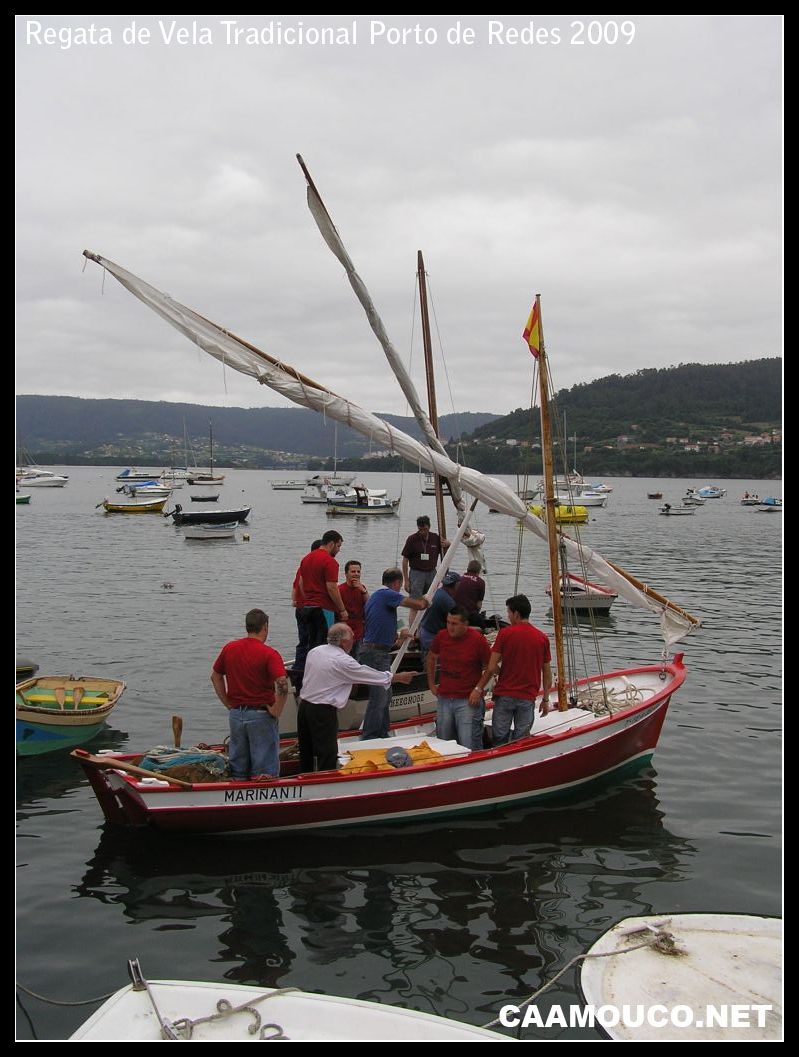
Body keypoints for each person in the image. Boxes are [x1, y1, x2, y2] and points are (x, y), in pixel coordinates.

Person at [298, 623, 415, 772]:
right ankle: (326, 784)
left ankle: (305, 777)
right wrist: (398, 677)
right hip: (322, 711)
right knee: (326, 753)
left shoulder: (315, 651)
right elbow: (367, 674)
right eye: (353, 637)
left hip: (305, 706)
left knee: (306, 750)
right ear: (344, 641)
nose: (354, 640)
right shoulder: (342, 661)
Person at [211, 609, 289, 780]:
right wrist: (277, 710)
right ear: (265, 627)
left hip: (236, 715)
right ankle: (264, 801)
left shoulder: (230, 648)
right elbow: (282, 683)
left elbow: (215, 676)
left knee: (237, 768)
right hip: (260, 715)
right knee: (264, 772)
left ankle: (237, 798)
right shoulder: (269, 653)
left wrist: (228, 703)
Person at [359, 568, 430, 740]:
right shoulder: (386, 594)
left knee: (385, 695)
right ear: (397, 583)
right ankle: (370, 737)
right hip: (375, 653)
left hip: (377, 650)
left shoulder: (377, 598)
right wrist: (427, 599)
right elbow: (417, 605)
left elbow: (379, 629)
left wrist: (399, 637)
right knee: (379, 697)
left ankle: (382, 733)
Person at [474, 594, 552, 745]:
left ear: (516, 614)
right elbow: (547, 673)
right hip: (527, 696)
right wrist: (546, 699)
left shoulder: (505, 634)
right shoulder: (542, 638)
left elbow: (491, 666)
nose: (508, 616)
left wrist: (499, 674)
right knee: (521, 741)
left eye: (509, 613)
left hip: (505, 695)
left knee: (499, 738)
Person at [426, 605, 491, 750]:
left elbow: (490, 667)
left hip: (467, 700)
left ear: (465, 624)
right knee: (444, 742)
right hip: (445, 698)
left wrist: (478, 689)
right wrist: (431, 683)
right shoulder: (441, 636)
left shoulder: (477, 640)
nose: (450, 627)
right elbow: (431, 657)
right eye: (448, 622)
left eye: (454, 624)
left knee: (469, 743)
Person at [295, 529, 347, 657]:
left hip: (307, 607)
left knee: (309, 644)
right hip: (324, 608)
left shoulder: (306, 558)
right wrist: (342, 609)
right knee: (324, 645)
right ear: (331, 544)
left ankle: (305, 671)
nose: (339, 550)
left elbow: (301, 583)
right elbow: (332, 588)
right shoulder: (330, 561)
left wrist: (308, 598)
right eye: (338, 546)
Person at [291, 538, 322, 686]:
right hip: (308, 608)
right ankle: (304, 675)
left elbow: (295, 586)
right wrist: (308, 601)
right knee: (311, 642)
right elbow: (301, 584)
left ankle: (299, 672)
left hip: (301, 608)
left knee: (303, 641)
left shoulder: (303, 565)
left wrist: (296, 601)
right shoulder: (312, 566)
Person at [401, 515, 449, 597]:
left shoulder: (435, 538)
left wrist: (448, 545)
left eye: (425, 529)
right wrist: (406, 580)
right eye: (420, 530)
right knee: (415, 601)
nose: (423, 532)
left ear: (429, 527)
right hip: (416, 573)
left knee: (432, 599)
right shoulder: (412, 539)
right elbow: (405, 560)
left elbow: (445, 553)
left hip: (432, 573)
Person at [418, 570, 461, 660]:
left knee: (427, 662)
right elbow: (455, 626)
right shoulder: (449, 602)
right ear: (457, 585)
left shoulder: (435, 592)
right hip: (432, 638)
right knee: (434, 666)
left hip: (424, 632)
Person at [338, 559, 368, 659]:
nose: (356, 574)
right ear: (346, 574)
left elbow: (369, 605)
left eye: (358, 572)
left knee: (358, 658)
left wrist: (363, 591)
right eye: (353, 571)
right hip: (345, 630)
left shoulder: (362, 588)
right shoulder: (340, 590)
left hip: (359, 630)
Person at [453, 558, 486, 627]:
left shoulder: (459, 578)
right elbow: (479, 604)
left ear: (468, 568)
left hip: (455, 611)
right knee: (482, 625)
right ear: (479, 571)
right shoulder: (480, 582)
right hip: (469, 614)